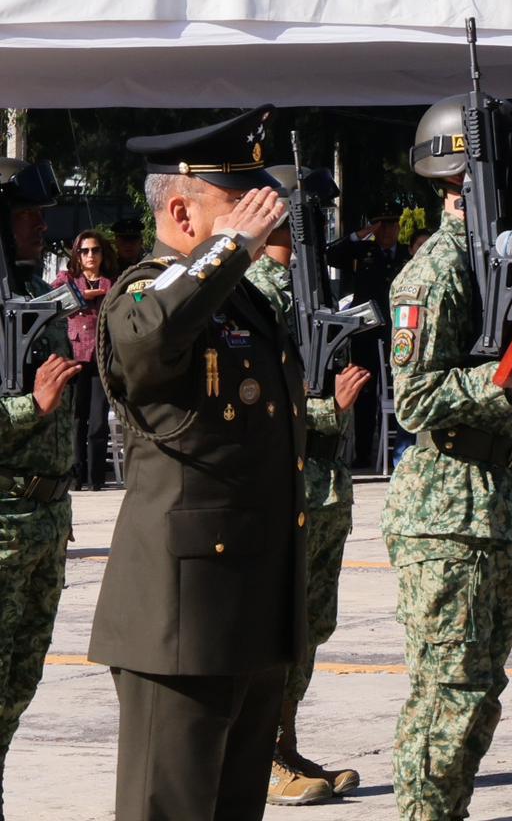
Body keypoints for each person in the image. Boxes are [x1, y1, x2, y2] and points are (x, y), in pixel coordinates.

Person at [89, 106, 308, 821]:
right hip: (180, 618)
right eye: (238, 204)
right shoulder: (142, 292)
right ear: (182, 212)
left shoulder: (239, 301)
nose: (259, 217)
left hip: (250, 606)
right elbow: (149, 340)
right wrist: (230, 248)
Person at [382, 94, 512, 821]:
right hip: (449, 510)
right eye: (511, 166)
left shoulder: (505, 261)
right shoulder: (437, 271)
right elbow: (415, 398)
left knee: (479, 691)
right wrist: (507, 375)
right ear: (466, 175)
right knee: (448, 694)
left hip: (501, 500)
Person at [248, 164, 370, 806]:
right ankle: (261, 757)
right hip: (286, 481)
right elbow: (257, 392)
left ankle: (285, 743)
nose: (320, 224)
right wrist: (326, 409)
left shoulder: (311, 287)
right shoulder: (254, 291)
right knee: (275, 627)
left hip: (325, 483)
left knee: (310, 626)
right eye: (311, 212)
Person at [0, 158, 80, 820]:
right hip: (3, 522)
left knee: (18, 687)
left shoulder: (36, 292)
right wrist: (32, 407)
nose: (41, 226)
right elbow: (39, 402)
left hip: (46, 519)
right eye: (27, 214)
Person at [328, 210, 411, 468]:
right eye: (381, 225)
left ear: (398, 227)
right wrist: (362, 234)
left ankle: (398, 454)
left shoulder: (407, 254)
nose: (387, 230)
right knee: (363, 392)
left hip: (398, 335)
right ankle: (363, 453)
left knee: (399, 390)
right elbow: (331, 255)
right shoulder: (364, 251)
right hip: (366, 334)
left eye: (391, 225)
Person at [51, 230, 115, 490]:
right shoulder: (67, 279)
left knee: (98, 420)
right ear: (76, 254)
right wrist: (80, 295)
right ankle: (76, 477)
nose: (90, 255)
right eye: (84, 250)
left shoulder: (112, 281)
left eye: (95, 250)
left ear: (102, 253)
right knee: (77, 417)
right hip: (75, 356)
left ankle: (96, 478)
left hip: (101, 356)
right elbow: (52, 299)